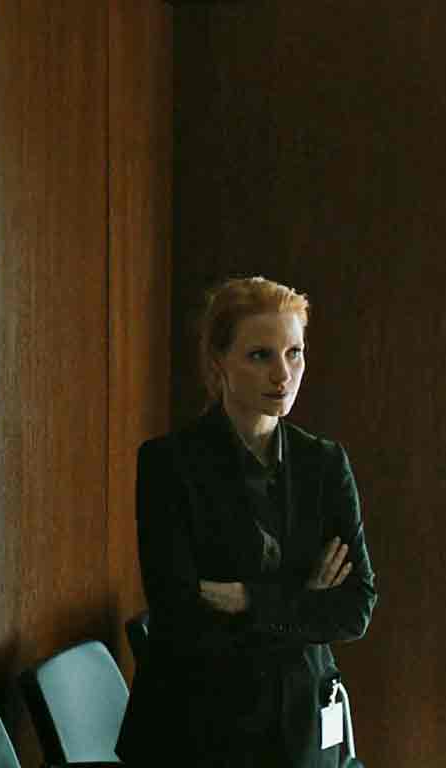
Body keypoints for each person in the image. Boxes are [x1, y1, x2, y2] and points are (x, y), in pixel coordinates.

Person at [116, 276, 377, 767]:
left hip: (300, 727)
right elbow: (180, 618)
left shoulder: (324, 464)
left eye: (294, 353)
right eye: (260, 355)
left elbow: (355, 607)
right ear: (219, 362)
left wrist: (251, 598)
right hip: (198, 730)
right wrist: (304, 598)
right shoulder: (169, 464)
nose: (283, 374)